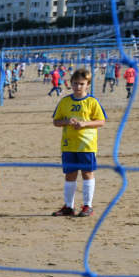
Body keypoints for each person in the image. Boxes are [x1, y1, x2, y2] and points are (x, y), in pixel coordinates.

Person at [51, 68, 105, 218]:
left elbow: (101, 121)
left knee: (87, 173)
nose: (78, 87)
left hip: (87, 145)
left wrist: (84, 124)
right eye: (75, 83)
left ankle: (88, 206)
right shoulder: (65, 101)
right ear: (71, 83)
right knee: (70, 175)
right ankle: (69, 206)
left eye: (82, 84)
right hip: (69, 145)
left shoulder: (92, 102)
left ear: (88, 84)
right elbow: (56, 121)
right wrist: (66, 122)